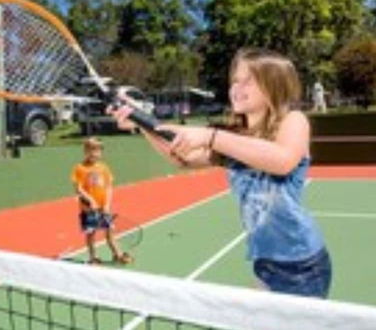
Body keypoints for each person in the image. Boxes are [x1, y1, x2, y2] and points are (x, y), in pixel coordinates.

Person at [110, 48, 331, 298]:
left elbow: (282, 160)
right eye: (235, 80)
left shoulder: (294, 120)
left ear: (275, 85)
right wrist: (141, 123)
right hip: (266, 263)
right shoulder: (235, 137)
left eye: (248, 80)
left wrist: (210, 136)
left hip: (302, 265)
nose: (237, 87)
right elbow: (184, 157)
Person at [71, 137, 133, 265]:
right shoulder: (80, 168)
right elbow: (78, 189)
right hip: (88, 209)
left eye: (97, 150)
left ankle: (118, 254)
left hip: (104, 208)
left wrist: (107, 205)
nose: (94, 153)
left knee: (110, 231)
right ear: (85, 151)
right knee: (91, 233)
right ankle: (93, 257)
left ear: (101, 152)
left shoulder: (104, 168)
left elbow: (109, 187)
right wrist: (90, 201)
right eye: (90, 150)